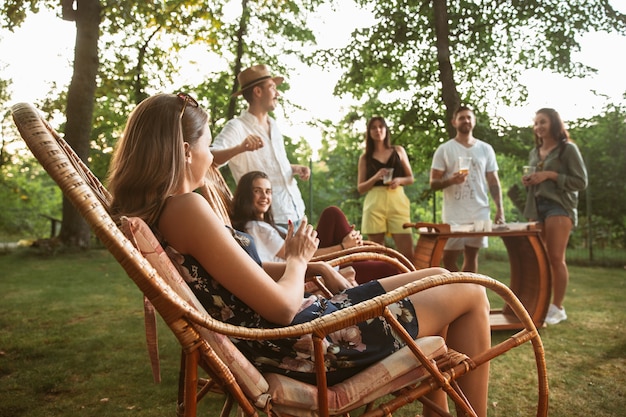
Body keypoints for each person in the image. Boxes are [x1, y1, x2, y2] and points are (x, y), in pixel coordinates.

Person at [107, 93, 491, 416]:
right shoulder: (186, 209)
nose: (213, 156)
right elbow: (281, 309)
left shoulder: (168, 213)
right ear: (187, 152)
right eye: (209, 145)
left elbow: (242, 272)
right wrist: (297, 259)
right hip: (308, 343)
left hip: (301, 330)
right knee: (471, 293)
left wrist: (317, 263)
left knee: (441, 276)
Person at [231, 170, 401, 284]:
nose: (265, 196)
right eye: (257, 191)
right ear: (246, 195)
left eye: (268, 191)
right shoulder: (256, 228)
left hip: (323, 264)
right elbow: (299, 256)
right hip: (313, 272)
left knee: (332, 215)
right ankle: (356, 252)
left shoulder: (266, 226)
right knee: (390, 267)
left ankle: (357, 253)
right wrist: (344, 246)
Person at [210, 64, 309, 229]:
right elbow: (211, 157)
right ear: (257, 92)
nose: (277, 93)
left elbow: (272, 165)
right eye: (272, 87)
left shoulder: (274, 125)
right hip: (271, 219)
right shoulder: (237, 127)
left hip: (297, 211)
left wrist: (294, 168)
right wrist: (240, 148)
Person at [522, 108, 587, 325]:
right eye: (536, 123)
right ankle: (540, 305)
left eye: (543, 122)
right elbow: (536, 179)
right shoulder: (535, 152)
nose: (538, 126)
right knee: (538, 260)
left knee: (556, 258)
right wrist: (530, 180)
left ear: (554, 124)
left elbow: (581, 182)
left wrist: (549, 175)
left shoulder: (567, 150)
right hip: (537, 207)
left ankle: (558, 308)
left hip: (559, 206)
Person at [430, 106, 505, 272]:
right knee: (448, 258)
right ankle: (460, 290)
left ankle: (468, 293)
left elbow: (493, 180)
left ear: (474, 121)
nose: (466, 121)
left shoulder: (486, 149)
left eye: (469, 117)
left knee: (472, 255)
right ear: (454, 122)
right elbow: (433, 183)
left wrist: (500, 209)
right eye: (462, 118)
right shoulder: (444, 149)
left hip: (480, 211)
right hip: (454, 213)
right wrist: (451, 180)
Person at [357, 116, 415, 262]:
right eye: (373, 127)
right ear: (369, 132)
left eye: (381, 126)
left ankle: (413, 283)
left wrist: (399, 180)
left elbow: (410, 178)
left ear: (386, 129)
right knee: (376, 254)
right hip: (374, 202)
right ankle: (381, 284)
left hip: (397, 200)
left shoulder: (398, 151)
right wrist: (375, 177)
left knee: (407, 254)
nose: (378, 130)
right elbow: (360, 188)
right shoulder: (365, 158)